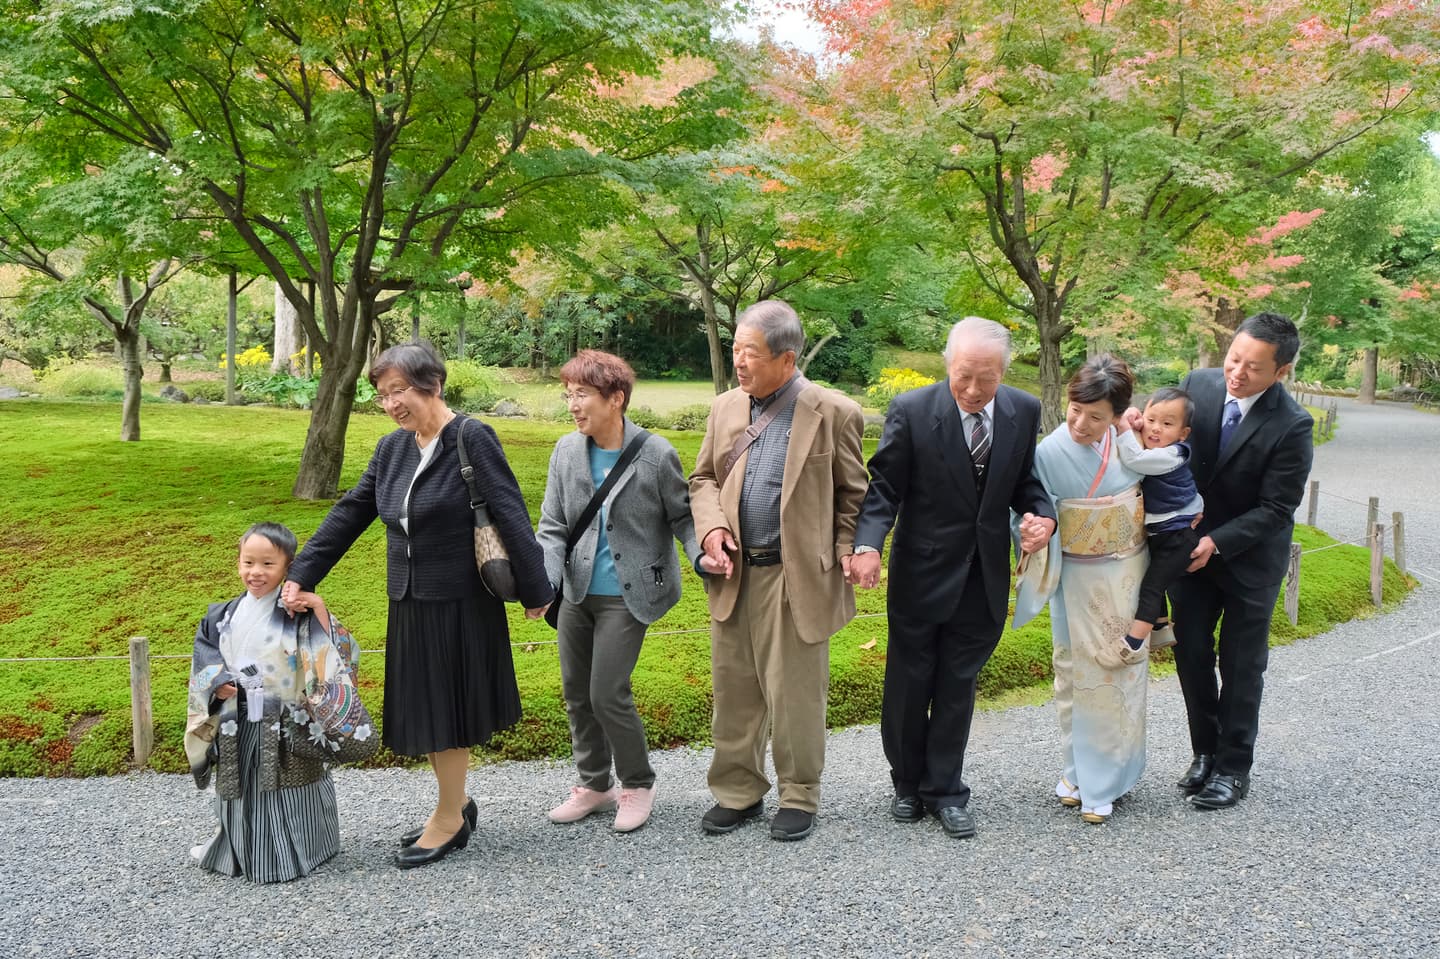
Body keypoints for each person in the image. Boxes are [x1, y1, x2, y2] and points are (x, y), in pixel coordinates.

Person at [284, 341, 553, 868]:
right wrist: (301, 573)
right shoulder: (393, 449)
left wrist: (536, 590)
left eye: (399, 391)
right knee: (430, 711)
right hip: (409, 601)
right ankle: (456, 803)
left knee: (446, 714)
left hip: (459, 603)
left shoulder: (472, 437)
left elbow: (510, 511)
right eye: (383, 395)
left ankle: (449, 817)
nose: (391, 404)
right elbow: (351, 511)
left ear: (433, 384)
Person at [850, 316, 1055, 840]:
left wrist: (1042, 516)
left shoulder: (1023, 409)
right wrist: (868, 545)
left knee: (958, 684)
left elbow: (1025, 481)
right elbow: (885, 487)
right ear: (948, 365)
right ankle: (906, 782)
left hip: (984, 573)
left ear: (1004, 371)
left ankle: (945, 789)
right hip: (921, 571)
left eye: (987, 378)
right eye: (964, 375)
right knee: (910, 680)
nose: (973, 389)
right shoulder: (914, 410)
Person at [688, 300, 867, 841]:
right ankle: (738, 792)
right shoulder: (724, 408)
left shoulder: (834, 412)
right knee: (735, 691)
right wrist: (711, 529)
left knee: (794, 696)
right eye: (736, 349)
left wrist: (848, 548)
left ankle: (799, 794)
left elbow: (853, 496)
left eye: (751, 353)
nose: (739, 362)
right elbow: (703, 480)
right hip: (735, 574)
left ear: (787, 359)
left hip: (796, 579)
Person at [536, 350, 703, 833]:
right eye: (568, 394)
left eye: (582, 394)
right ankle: (594, 784)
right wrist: (545, 582)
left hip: (629, 595)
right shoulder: (566, 451)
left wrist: (701, 556)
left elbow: (683, 517)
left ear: (616, 398)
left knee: (607, 692)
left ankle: (637, 782)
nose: (573, 405)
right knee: (576, 693)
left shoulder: (655, 454)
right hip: (577, 591)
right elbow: (552, 526)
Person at [1170, 312, 1313, 810]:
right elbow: (1164, 435)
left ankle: (1233, 768)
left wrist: (1217, 541)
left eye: (1253, 367)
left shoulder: (1293, 424)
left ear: (1282, 371)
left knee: (1241, 665)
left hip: (1250, 560)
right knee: (1190, 653)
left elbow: (1277, 508)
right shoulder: (1197, 385)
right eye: (1234, 359)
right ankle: (1205, 752)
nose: (1237, 373)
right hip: (1190, 553)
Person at [185, 522, 362, 882]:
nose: (256, 572)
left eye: (268, 564)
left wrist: (318, 605)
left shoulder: (297, 612)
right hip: (236, 717)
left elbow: (335, 652)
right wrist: (217, 682)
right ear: (238, 562)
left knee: (288, 782)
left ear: (288, 567)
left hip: (285, 718)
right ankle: (236, 850)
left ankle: (297, 853)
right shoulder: (220, 615)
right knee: (239, 785)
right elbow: (205, 654)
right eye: (248, 562)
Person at [1014, 355, 1149, 825]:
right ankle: (1078, 773)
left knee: (1120, 669)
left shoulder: (1130, 441)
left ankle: (1108, 777)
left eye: (1096, 416)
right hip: (1074, 574)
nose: (1080, 424)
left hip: (1126, 571)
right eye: (1075, 410)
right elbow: (1028, 510)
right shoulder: (1048, 452)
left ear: (1117, 415)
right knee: (1074, 673)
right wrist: (1033, 529)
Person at [1113, 386, 1205, 654]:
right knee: (1153, 577)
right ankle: (1161, 626)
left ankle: (1134, 642)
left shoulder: (1173, 454)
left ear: (1183, 433)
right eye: (1150, 419)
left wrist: (1122, 426)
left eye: (1167, 424)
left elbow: (1135, 460)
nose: (1155, 429)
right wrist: (1133, 416)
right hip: (1164, 534)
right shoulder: (1159, 448)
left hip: (1177, 537)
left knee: (1152, 587)